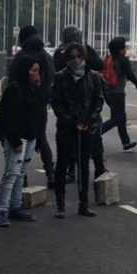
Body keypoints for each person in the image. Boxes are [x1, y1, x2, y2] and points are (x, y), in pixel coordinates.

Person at [51, 43, 105, 218]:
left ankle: (84, 203)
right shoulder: (60, 77)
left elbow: (98, 100)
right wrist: (71, 120)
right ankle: (60, 204)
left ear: (84, 57)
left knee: (84, 165)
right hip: (67, 128)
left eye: (78, 56)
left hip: (87, 127)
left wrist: (89, 121)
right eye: (72, 57)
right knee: (62, 163)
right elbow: (56, 103)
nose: (76, 60)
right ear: (67, 59)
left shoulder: (93, 76)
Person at [0, 56, 45, 227]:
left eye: (38, 70)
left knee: (20, 174)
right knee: (11, 174)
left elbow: (37, 117)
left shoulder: (32, 90)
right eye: (33, 70)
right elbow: (7, 117)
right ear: (25, 71)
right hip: (18, 138)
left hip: (30, 138)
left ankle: (15, 207)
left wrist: (38, 140)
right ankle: (1, 210)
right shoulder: (14, 90)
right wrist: (15, 140)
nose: (36, 74)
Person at [10, 26, 55, 188]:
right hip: (41, 104)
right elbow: (52, 79)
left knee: (21, 140)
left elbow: (12, 81)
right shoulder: (46, 56)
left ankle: (23, 179)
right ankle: (51, 174)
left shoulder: (21, 56)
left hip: (22, 104)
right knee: (41, 137)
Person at [101, 37, 137, 152]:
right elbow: (129, 73)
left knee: (122, 117)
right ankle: (95, 134)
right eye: (124, 47)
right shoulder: (123, 60)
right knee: (116, 118)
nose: (126, 49)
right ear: (120, 49)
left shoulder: (109, 59)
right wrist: (136, 82)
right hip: (117, 93)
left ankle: (126, 142)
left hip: (107, 91)